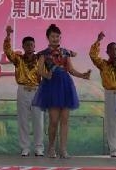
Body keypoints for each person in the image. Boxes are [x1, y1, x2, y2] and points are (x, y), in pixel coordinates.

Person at [32, 23, 91, 159]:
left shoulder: (66, 52)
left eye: (57, 36)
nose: (55, 39)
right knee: (53, 120)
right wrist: (46, 75)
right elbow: (39, 70)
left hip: (65, 85)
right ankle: (51, 147)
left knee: (65, 120)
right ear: (48, 37)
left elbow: (71, 69)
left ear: (60, 37)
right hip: (52, 86)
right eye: (53, 36)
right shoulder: (43, 54)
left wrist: (82, 75)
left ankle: (63, 149)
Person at [4, 25, 44, 157]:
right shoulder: (18, 59)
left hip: (37, 91)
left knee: (38, 120)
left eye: (31, 44)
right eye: (27, 45)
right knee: (23, 120)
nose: (29, 47)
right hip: (22, 90)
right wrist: (8, 35)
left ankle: (39, 147)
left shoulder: (40, 59)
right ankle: (25, 147)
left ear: (34, 46)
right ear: (23, 46)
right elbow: (8, 51)